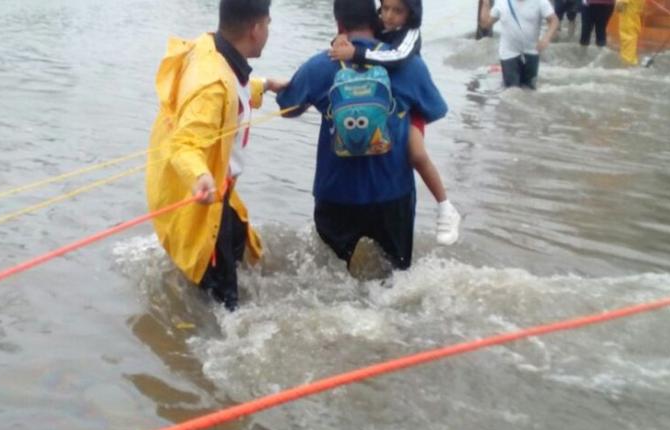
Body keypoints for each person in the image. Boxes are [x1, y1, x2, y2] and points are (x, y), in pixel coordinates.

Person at [276, 0, 448, 271]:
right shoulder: (410, 66)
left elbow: (287, 109)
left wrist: (283, 88)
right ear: (376, 20)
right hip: (393, 194)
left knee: (331, 283)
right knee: (395, 282)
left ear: (340, 25)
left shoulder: (321, 65)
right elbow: (434, 109)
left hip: (335, 194)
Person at [146, 0, 282, 311]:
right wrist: (200, 176)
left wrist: (264, 86)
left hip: (218, 193)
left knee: (239, 258)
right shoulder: (212, 84)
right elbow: (185, 144)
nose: (268, 32)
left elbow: (231, 94)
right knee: (224, 307)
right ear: (256, 28)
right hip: (201, 196)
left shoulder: (212, 49)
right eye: (269, 24)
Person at [329, 0, 462, 246]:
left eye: (397, 11)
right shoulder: (380, 25)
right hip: (381, 101)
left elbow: (398, 56)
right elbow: (360, 35)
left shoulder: (411, 33)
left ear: (411, 14)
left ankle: (445, 207)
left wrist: (355, 53)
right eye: (385, 8)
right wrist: (339, 38)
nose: (389, 16)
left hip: (411, 108)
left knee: (416, 155)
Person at [480, 0, 560, 89]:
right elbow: (485, 24)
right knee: (512, 90)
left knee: (529, 90)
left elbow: (554, 21)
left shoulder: (540, 2)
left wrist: (546, 38)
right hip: (508, 53)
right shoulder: (502, 2)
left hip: (531, 52)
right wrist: (485, 3)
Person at [616, 0, 645, 65]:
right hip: (635, 23)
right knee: (631, 51)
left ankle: (627, 67)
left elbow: (619, 7)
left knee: (627, 56)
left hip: (627, 25)